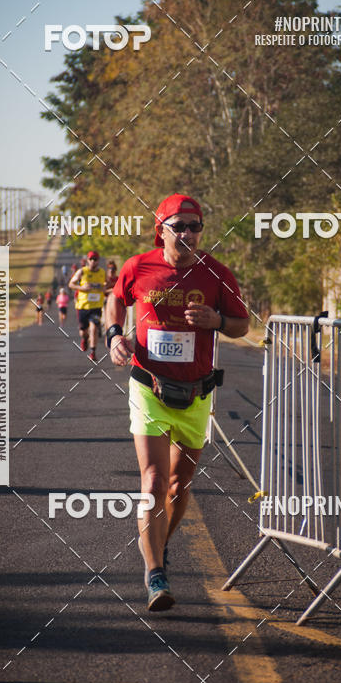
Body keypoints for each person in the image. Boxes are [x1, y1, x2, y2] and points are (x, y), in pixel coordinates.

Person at [106, 194, 249, 611]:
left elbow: (242, 324)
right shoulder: (139, 266)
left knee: (178, 485)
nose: (187, 234)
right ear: (161, 229)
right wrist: (115, 334)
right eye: (179, 226)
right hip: (149, 385)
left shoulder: (217, 274)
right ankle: (155, 575)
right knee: (152, 479)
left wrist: (217, 321)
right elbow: (117, 297)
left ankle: (157, 547)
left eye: (195, 227)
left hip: (196, 394)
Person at [69, 250, 106, 361]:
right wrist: (82, 288)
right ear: (88, 260)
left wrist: (103, 287)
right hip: (83, 307)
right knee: (83, 331)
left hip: (96, 307)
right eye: (91, 259)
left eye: (95, 259)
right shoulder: (82, 272)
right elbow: (71, 284)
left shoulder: (102, 273)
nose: (93, 261)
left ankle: (93, 352)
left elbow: (107, 283)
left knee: (94, 328)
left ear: (98, 261)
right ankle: (85, 338)